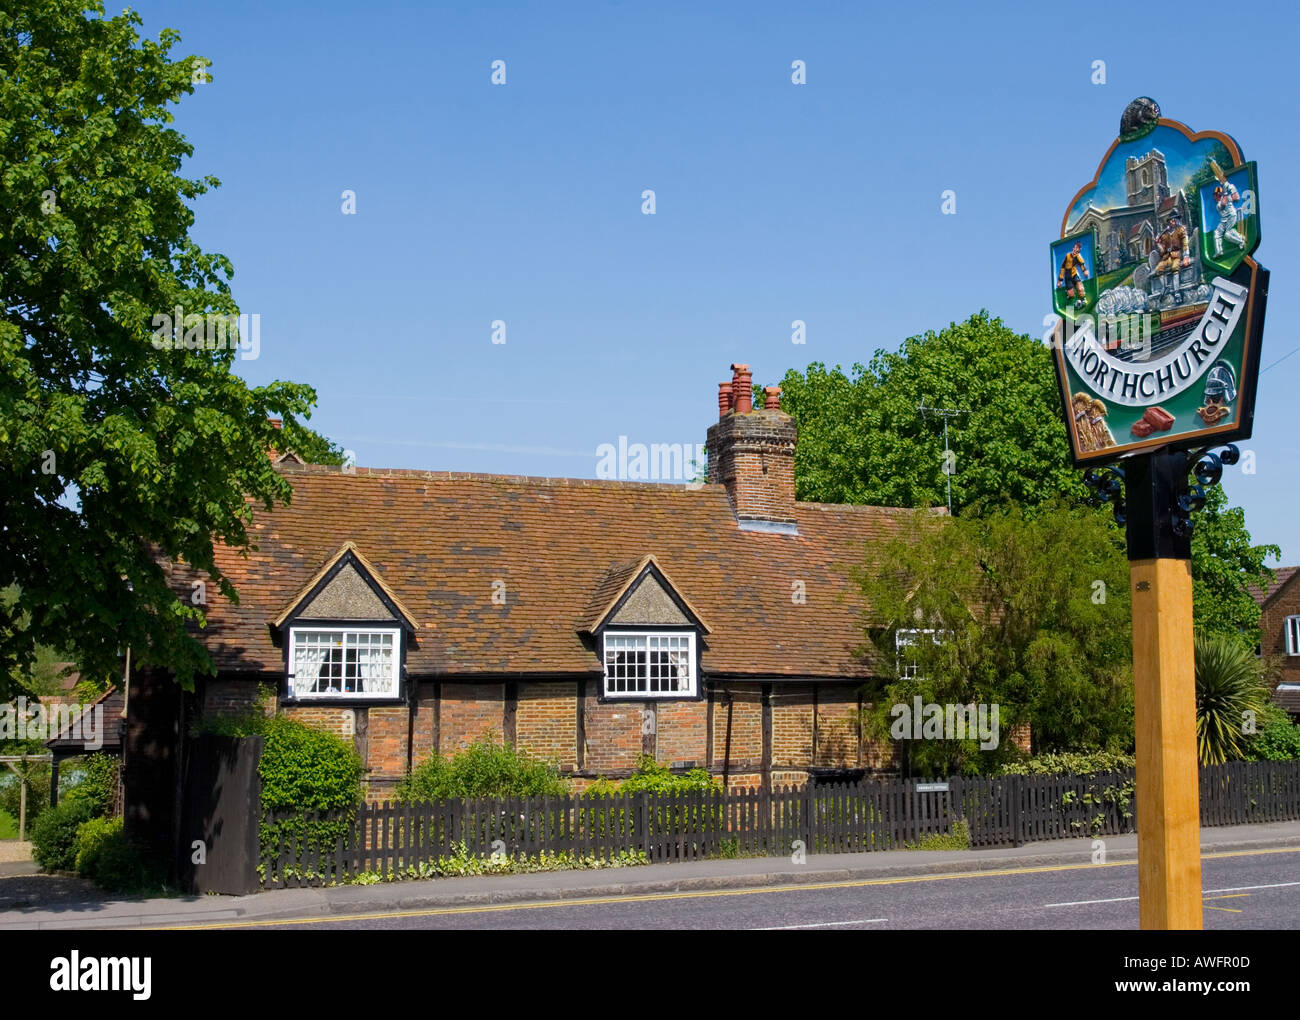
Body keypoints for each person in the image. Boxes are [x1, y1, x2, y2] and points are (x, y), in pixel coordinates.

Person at [1058, 240, 1090, 306]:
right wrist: (1060, 280)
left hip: (1074, 275)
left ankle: (1083, 299)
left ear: (1079, 250)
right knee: (1071, 294)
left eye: (1077, 249)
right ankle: (1069, 294)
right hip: (1067, 277)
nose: (1075, 250)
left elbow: (1082, 264)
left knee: (1080, 287)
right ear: (1073, 248)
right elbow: (1062, 267)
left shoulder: (1078, 257)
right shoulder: (1067, 256)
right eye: (1075, 248)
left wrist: (1084, 271)